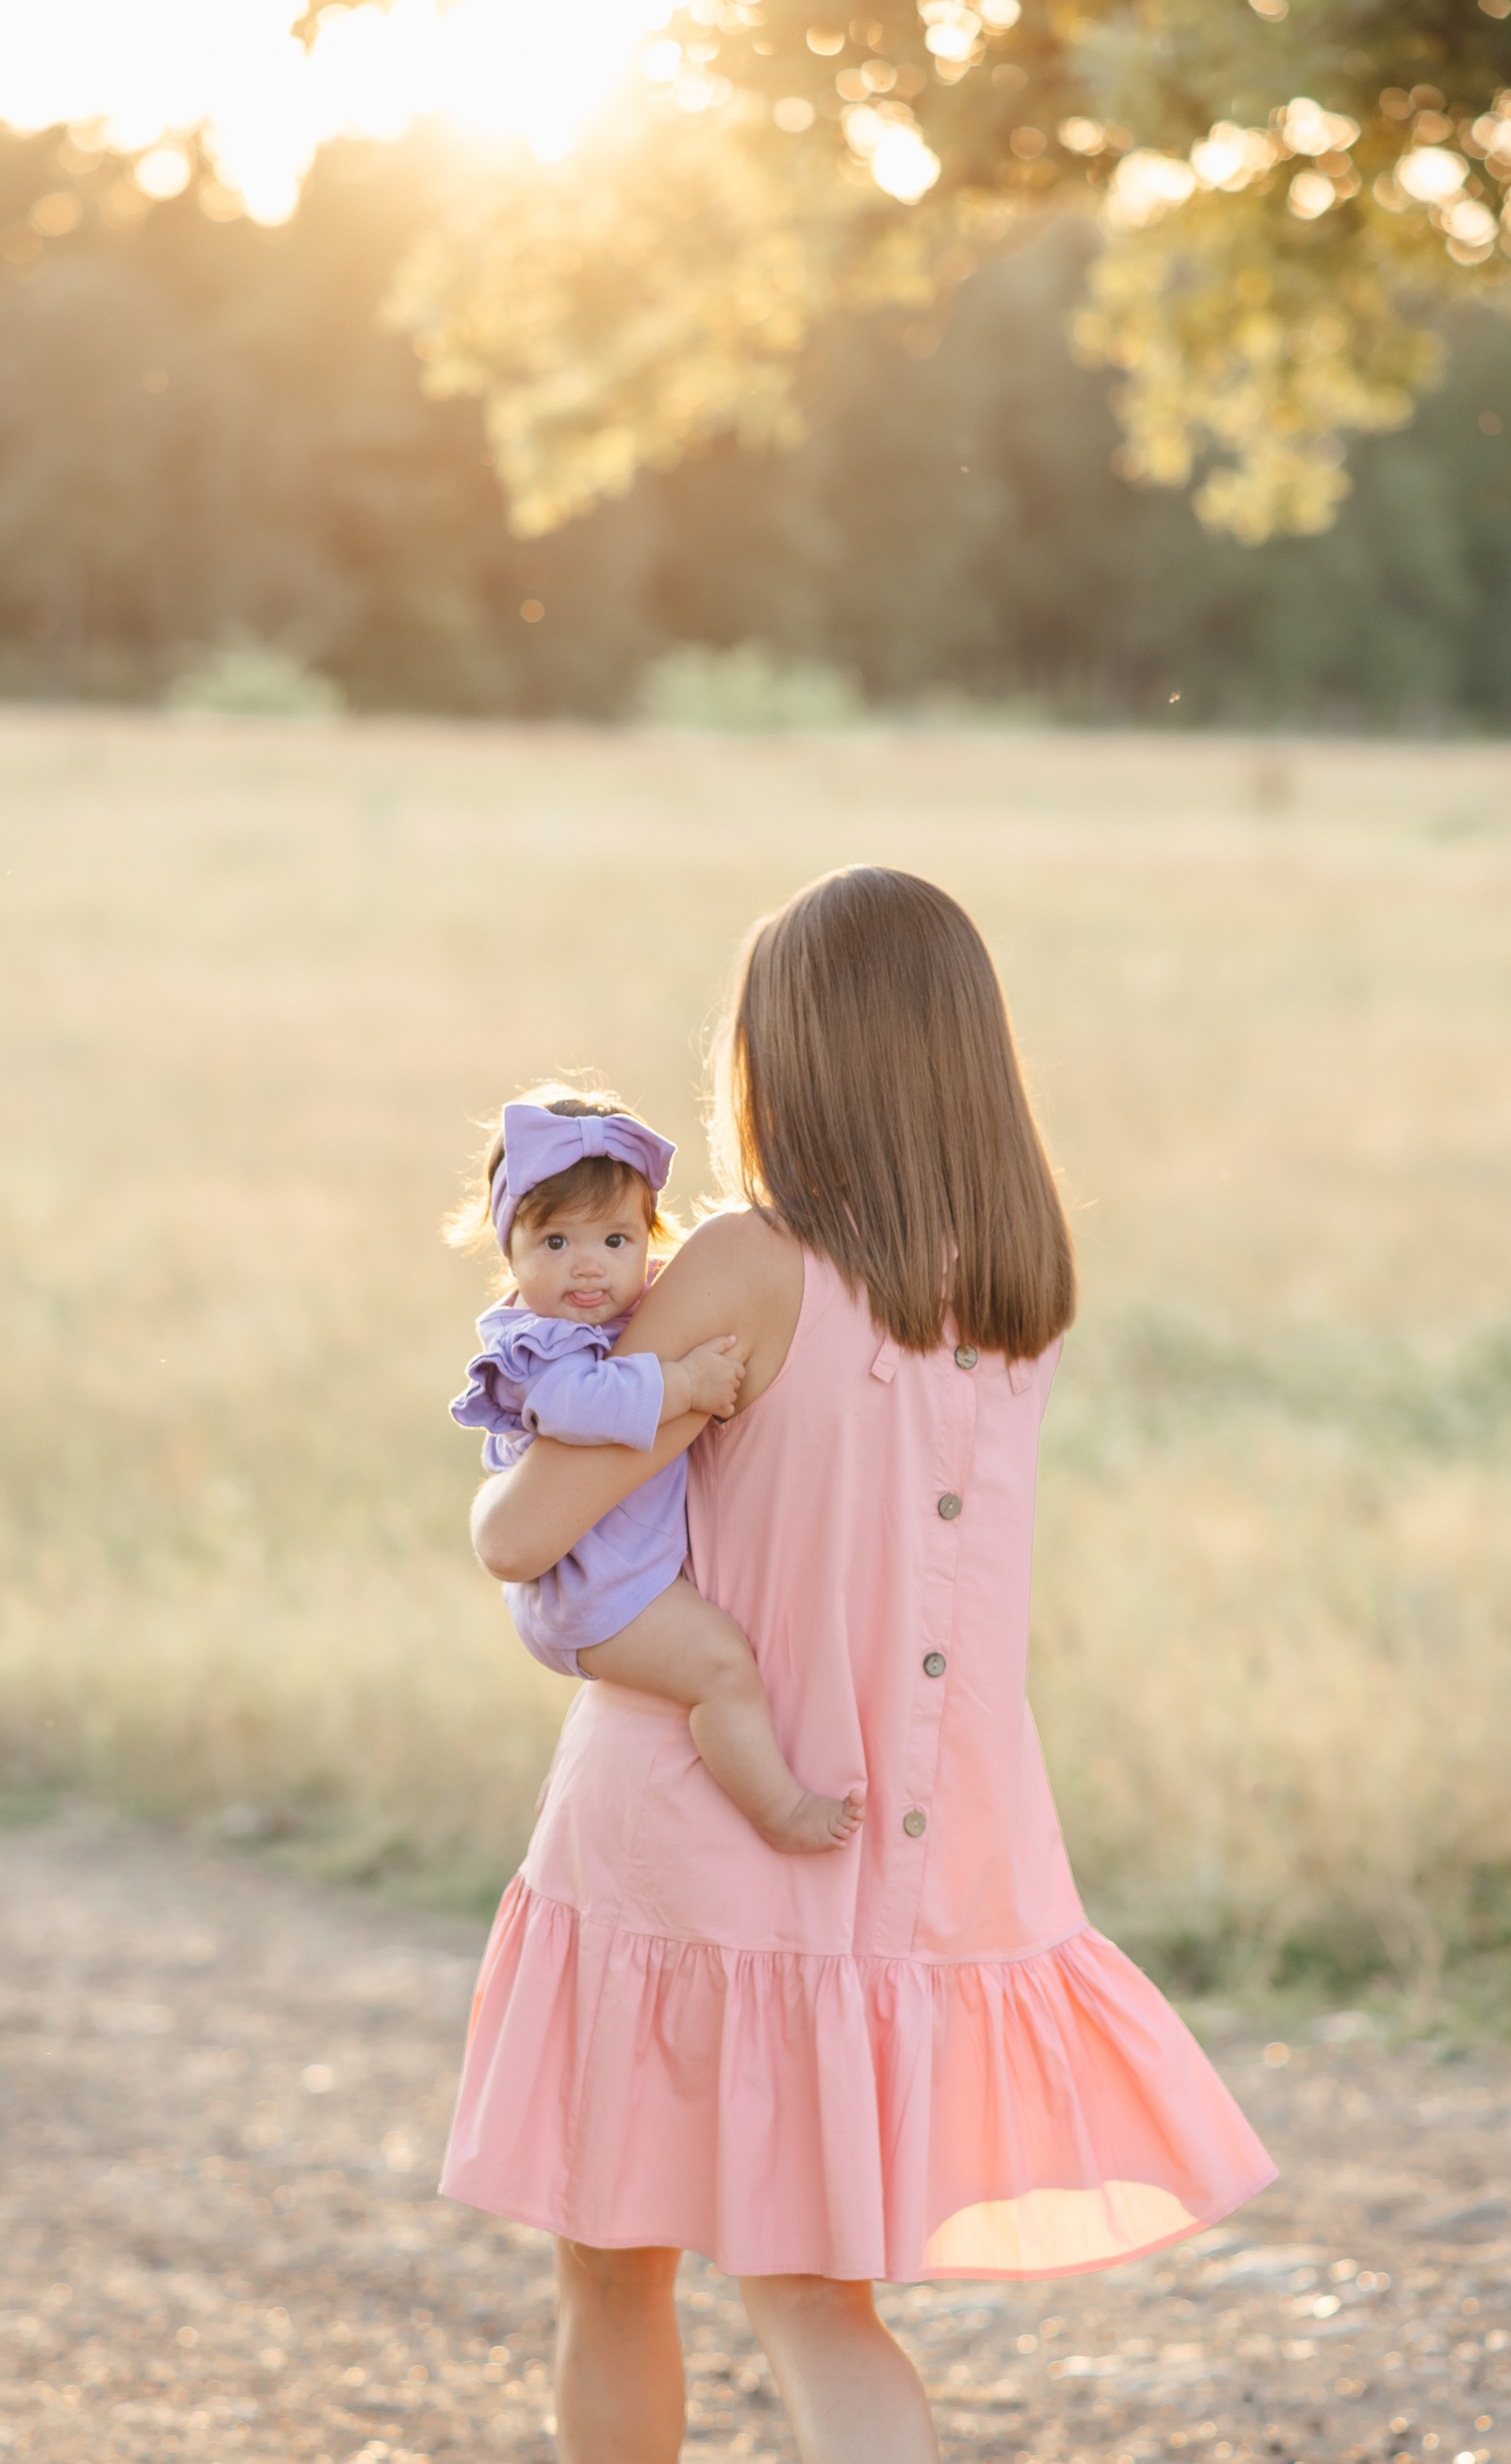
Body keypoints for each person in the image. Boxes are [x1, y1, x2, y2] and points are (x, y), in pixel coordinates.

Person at [442, 867, 1277, 2464]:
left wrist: (514, 1475)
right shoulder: (1011, 1281)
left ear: (790, 1059)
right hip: (895, 1840)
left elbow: (522, 1529)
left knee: (610, 2262)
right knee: (821, 2300)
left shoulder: (751, 1264)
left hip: (681, 1831)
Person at [448, 1089, 866, 1854]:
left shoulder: (613, 1310)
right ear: (508, 1251)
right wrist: (686, 1386)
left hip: (613, 1571)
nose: (587, 1267)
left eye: (616, 1240)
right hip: (593, 1589)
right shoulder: (535, 1347)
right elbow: (580, 1405)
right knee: (722, 1667)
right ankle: (779, 1810)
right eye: (555, 1244)